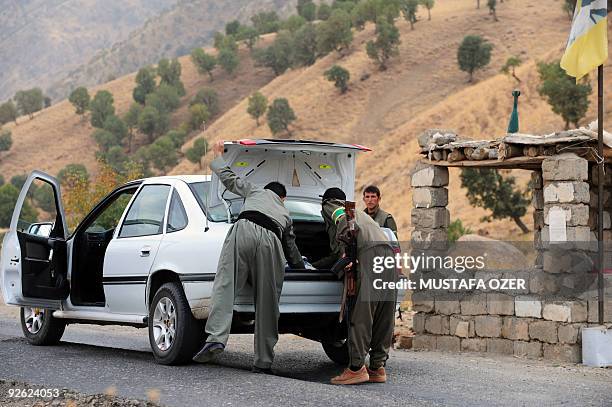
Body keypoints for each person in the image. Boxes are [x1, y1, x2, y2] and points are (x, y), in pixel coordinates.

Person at [193, 140, 305, 373]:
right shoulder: (285, 212)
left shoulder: (255, 190)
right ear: (282, 198)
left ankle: (215, 338)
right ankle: (263, 361)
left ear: (268, 190)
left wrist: (218, 157)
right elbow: (291, 247)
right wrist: (301, 267)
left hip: (244, 228)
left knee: (225, 285)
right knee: (267, 301)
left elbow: (230, 179)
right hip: (271, 240)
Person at [317, 187, 398, 385]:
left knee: (361, 315)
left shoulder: (333, 206)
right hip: (387, 255)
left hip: (367, 255)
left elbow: (342, 219)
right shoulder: (363, 215)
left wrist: (346, 253)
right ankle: (377, 367)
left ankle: (355, 369)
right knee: (383, 315)